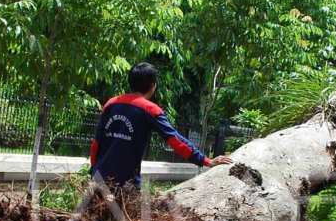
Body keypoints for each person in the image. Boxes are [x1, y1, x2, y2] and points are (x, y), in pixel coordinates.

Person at [89, 62, 232, 187]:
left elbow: (96, 143)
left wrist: (93, 170)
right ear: (152, 86)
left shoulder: (111, 103)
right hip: (125, 185)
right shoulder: (150, 110)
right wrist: (206, 160)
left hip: (99, 178)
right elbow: (175, 140)